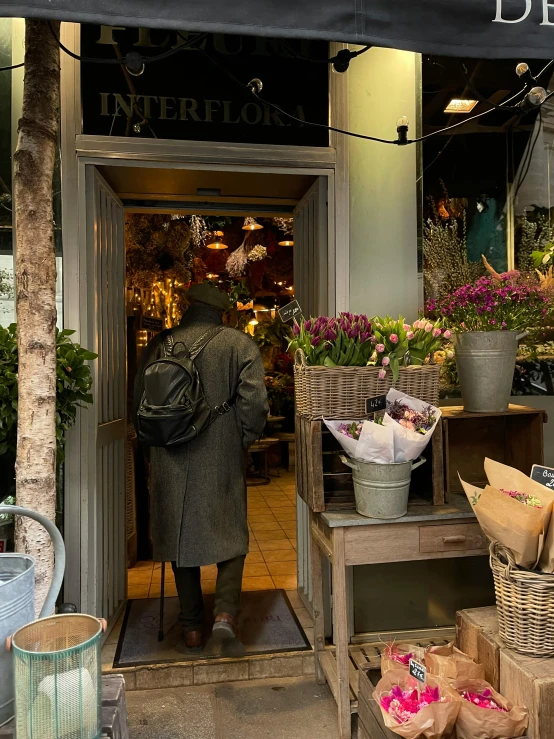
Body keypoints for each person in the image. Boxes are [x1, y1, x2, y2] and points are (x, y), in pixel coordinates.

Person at [134, 283, 268, 652]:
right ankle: (224, 615)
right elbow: (255, 404)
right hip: (220, 450)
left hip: (168, 454)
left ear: (188, 307)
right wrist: (243, 439)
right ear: (222, 311)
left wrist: (151, 450)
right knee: (230, 530)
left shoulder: (160, 344)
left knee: (180, 537)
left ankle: (192, 627)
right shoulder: (239, 344)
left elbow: (138, 403)